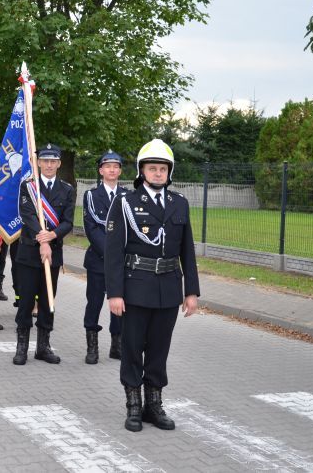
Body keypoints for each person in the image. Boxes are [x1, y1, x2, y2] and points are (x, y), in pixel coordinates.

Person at [105, 138, 200, 433]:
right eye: (152, 168)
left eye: (163, 169)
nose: (158, 173)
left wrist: (191, 291)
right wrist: (115, 294)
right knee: (133, 349)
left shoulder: (179, 203)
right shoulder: (126, 203)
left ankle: (153, 405)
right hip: (135, 288)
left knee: (159, 351)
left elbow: (187, 250)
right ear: (141, 171)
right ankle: (134, 406)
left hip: (169, 289)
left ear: (169, 172)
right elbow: (113, 252)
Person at [12, 144, 75, 366]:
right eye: (45, 161)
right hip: (29, 253)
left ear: (58, 163)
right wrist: (42, 237)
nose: (49, 165)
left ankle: (43, 347)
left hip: (53, 254)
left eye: (53, 161)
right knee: (26, 300)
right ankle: (22, 347)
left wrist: (52, 237)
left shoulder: (67, 190)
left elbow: (68, 221)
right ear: (38, 163)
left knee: (48, 300)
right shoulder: (28, 186)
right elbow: (27, 215)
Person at [83, 151, 128, 364]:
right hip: (98, 260)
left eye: (115, 166)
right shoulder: (91, 196)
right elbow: (92, 229)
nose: (112, 170)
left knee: (119, 303)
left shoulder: (129, 196)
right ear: (101, 170)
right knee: (94, 303)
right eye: (107, 166)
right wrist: (112, 255)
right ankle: (92, 348)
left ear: (120, 170)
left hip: (122, 263)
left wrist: (119, 258)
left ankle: (116, 345)